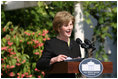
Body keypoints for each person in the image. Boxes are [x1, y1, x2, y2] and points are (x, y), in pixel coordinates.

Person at [36, 11, 81, 78]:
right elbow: (40, 65)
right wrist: (54, 60)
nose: (69, 28)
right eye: (66, 25)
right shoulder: (51, 44)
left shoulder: (75, 44)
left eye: (71, 24)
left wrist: (78, 61)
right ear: (58, 28)